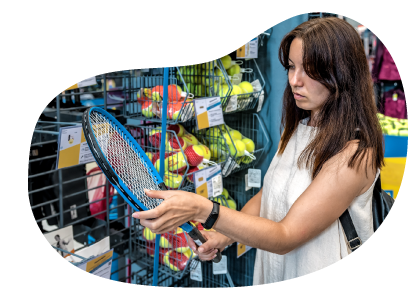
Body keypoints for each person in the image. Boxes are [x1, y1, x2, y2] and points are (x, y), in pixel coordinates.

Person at [132, 17, 384, 284]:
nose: (294, 80)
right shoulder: (302, 126)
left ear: (342, 72)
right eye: (290, 67)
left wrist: (203, 210)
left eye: (309, 70)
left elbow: (286, 235)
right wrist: (223, 235)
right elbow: (270, 195)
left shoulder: (357, 152)